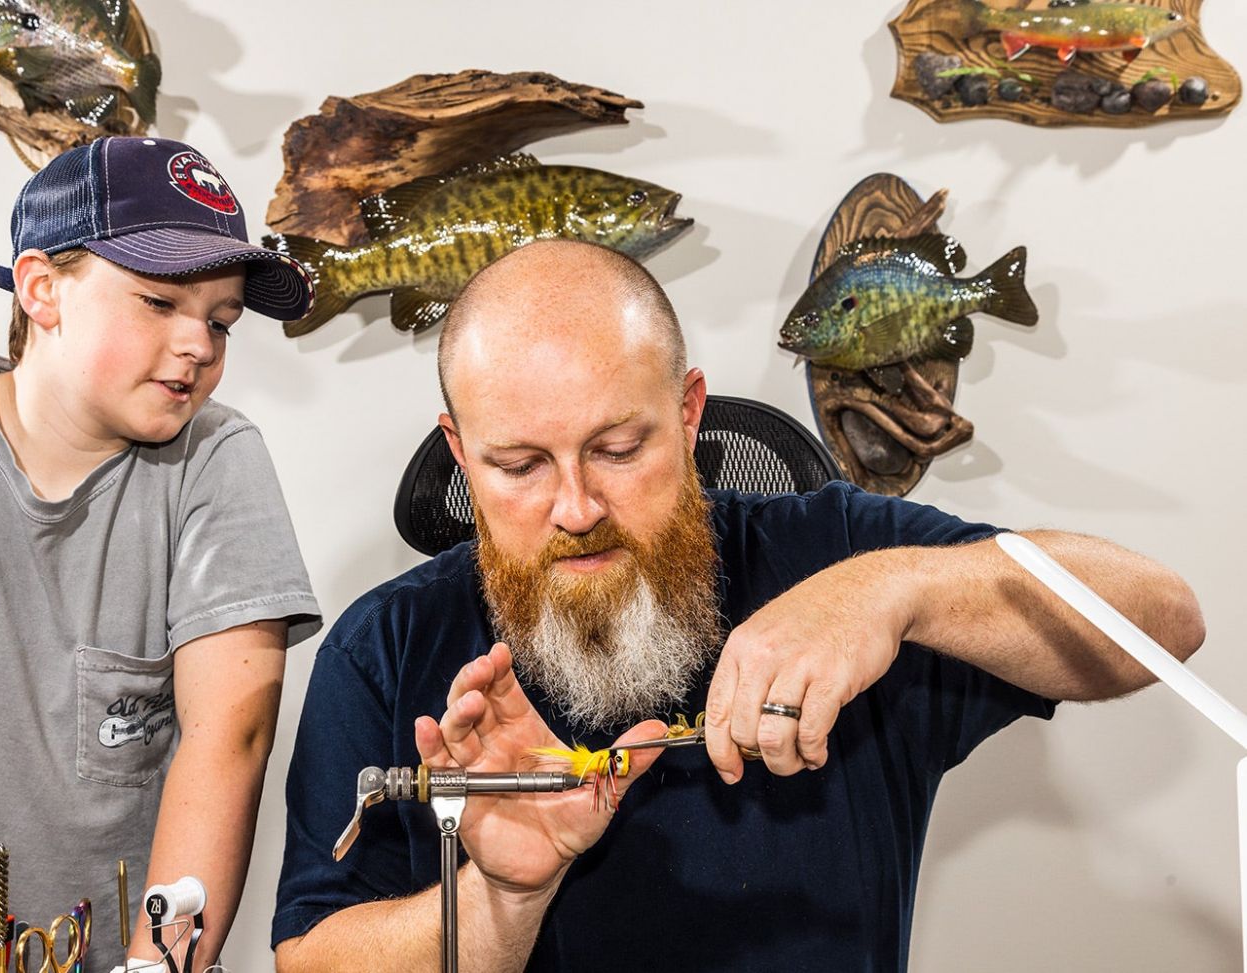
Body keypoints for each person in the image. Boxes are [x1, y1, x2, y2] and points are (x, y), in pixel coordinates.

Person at [271, 239, 1205, 972]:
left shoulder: (831, 549)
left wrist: (892, 590)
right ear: (461, 451)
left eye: (619, 447)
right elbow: (315, 961)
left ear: (687, 413)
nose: (576, 508)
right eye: (520, 466)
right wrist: (501, 897)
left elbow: (1164, 623)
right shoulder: (387, 648)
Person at [0, 137, 321, 970]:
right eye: (159, 303)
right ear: (42, 290)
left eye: (221, 321)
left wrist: (157, 966)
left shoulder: (218, 461)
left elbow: (233, 737)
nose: (201, 346)